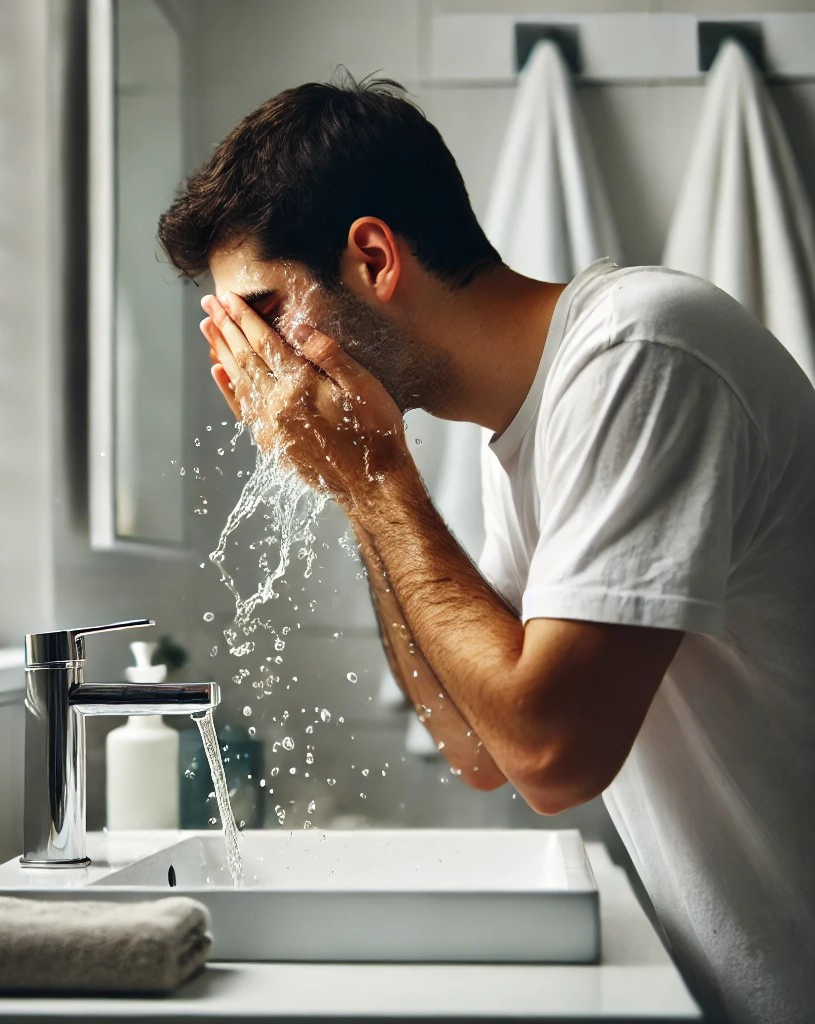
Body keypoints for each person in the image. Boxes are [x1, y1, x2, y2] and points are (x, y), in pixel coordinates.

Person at [158, 74, 814, 1023]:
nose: (263, 364)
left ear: (374, 258)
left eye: (263, 312)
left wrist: (377, 476)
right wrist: (353, 484)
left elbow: (550, 754)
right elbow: (478, 745)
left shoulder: (641, 352)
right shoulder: (525, 426)